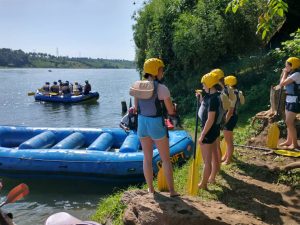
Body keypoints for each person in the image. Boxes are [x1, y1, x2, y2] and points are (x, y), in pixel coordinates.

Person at [133, 58, 179, 197]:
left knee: (147, 158)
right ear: (155, 71)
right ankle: (171, 191)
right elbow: (171, 111)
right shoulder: (162, 88)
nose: (162, 72)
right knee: (165, 159)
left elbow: (136, 108)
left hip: (142, 122)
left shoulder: (137, 85)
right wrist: (174, 109)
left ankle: (150, 189)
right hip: (156, 123)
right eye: (161, 69)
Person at [197, 72, 222, 190]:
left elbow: (210, 119)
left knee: (206, 161)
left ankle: (203, 183)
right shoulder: (214, 96)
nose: (203, 87)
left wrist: (202, 135)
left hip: (208, 131)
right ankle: (212, 178)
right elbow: (205, 106)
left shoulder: (213, 100)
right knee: (212, 156)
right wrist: (200, 98)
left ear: (210, 85)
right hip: (214, 131)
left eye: (204, 85)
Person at [275, 57, 300, 149]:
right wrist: (284, 73)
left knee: (289, 122)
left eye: (287, 64)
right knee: (288, 122)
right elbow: (282, 83)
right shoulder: (292, 74)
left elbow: (282, 84)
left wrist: (285, 73)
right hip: (289, 99)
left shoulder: (297, 74)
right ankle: (289, 141)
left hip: (295, 100)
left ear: (292, 66)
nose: (285, 66)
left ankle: (295, 144)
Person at [222, 75, 244, 164]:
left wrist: (224, 122)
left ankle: (228, 160)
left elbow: (230, 111)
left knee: (229, 141)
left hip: (230, 117)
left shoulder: (232, 94)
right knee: (228, 140)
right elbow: (241, 102)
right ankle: (226, 156)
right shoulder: (237, 91)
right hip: (232, 116)